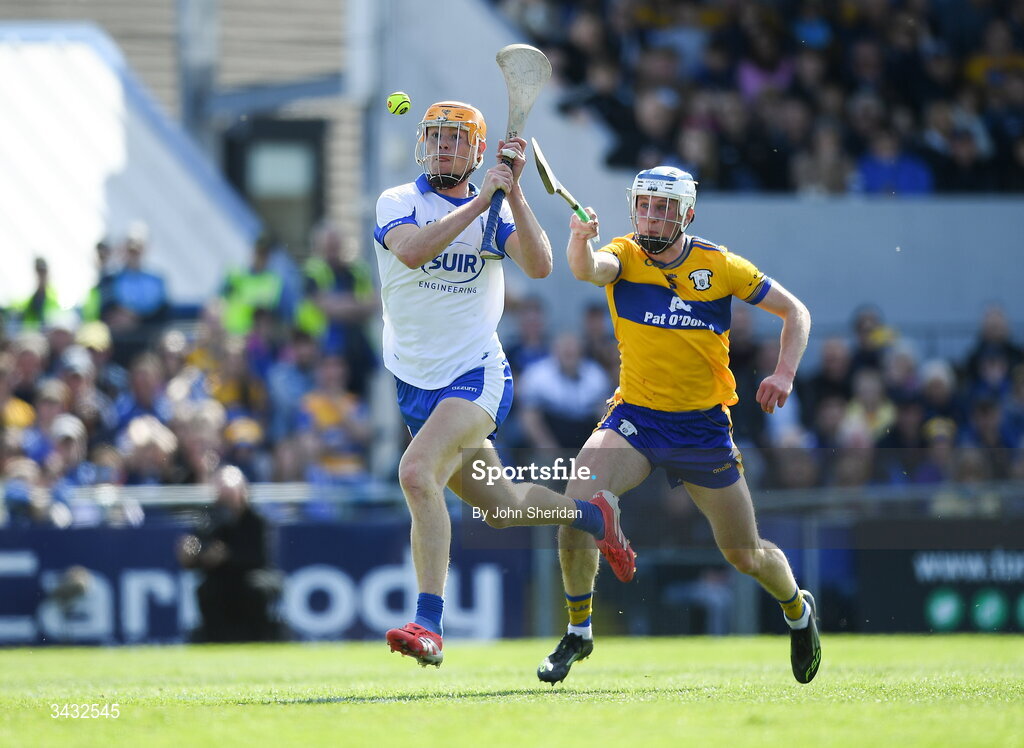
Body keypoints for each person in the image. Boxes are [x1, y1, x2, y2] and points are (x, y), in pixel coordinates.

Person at [537, 166, 821, 686]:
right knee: (574, 513)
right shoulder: (623, 254)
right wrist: (580, 240)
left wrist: (784, 372)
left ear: (686, 212)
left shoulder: (720, 264)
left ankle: (798, 610)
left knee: (745, 554)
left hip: (702, 430)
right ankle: (579, 631)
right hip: (636, 418)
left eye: (665, 207)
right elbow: (587, 270)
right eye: (645, 204)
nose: (653, 215)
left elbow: (795, 312)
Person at [373, 100, 634, 667]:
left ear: (474, 152)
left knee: (417, 475)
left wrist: (512, 192)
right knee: (505, 505)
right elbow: (415, 252)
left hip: (476, 376)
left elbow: (540, 267)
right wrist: (480, 203)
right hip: (414, 384)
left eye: (455, 139)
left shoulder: (495, 209)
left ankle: (428, 625)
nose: (443, 146)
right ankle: (594, 515)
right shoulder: (399, 201)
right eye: (435, 136)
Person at [176, 465, 280, 642]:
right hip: (220, 579)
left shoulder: (257, 521)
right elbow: (196, 552)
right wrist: (192, 556)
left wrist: (227, 557)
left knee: (257, 589)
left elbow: (259, 557)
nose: (227, 502)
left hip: (251, 576)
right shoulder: (207, 519)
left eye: (230, 496)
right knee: (207, 590)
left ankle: (260, 638)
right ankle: (214, 640)